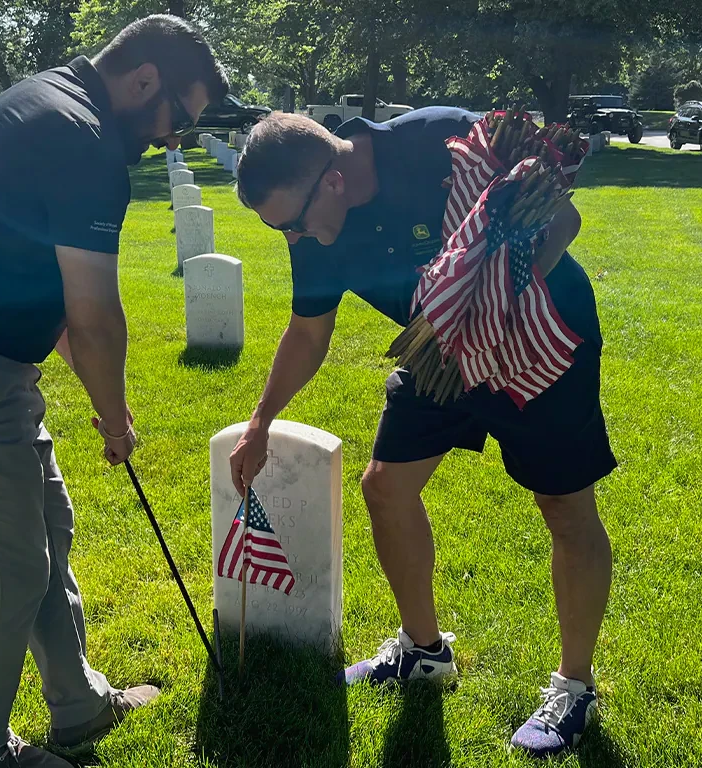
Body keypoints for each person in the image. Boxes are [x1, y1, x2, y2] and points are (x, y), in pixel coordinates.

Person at [0, 16, 229, 768]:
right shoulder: (85, 141)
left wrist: (98, 393)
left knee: (48, 531)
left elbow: (42, 279)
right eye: (178, 120)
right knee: (8, 568)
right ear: (146, 81)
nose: (175, 139)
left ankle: (79, 705)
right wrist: (117, 415)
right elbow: (93, 316)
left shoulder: (50, 100)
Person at [229, 110, 617, 758]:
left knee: (565, 509)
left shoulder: (439, 142)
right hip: (439, 355)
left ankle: (573, 688)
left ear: (331, 182)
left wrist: (499, 299)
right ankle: (423, 651)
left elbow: (563, 220)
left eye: (289, 224)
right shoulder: (314, 234)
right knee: (385, 487)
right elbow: (308, 332)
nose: (291, 239)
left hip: (542, 342)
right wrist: (261, 421)